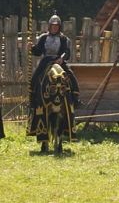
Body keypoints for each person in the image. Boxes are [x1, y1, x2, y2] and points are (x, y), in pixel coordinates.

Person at [27, 15, 81, 150]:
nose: (55, 27)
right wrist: (31, 47)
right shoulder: (43, 37)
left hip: (59, 61)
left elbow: (67, 52)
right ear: (49, 26)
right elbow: (38, 51)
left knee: (71, 76)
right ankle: (33, 98)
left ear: (59, 27)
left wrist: (62, 59)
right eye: (53, 25)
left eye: (57, 26)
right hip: (46, 61)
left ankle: (75, 98)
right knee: (35, 78)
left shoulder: (64, 39)